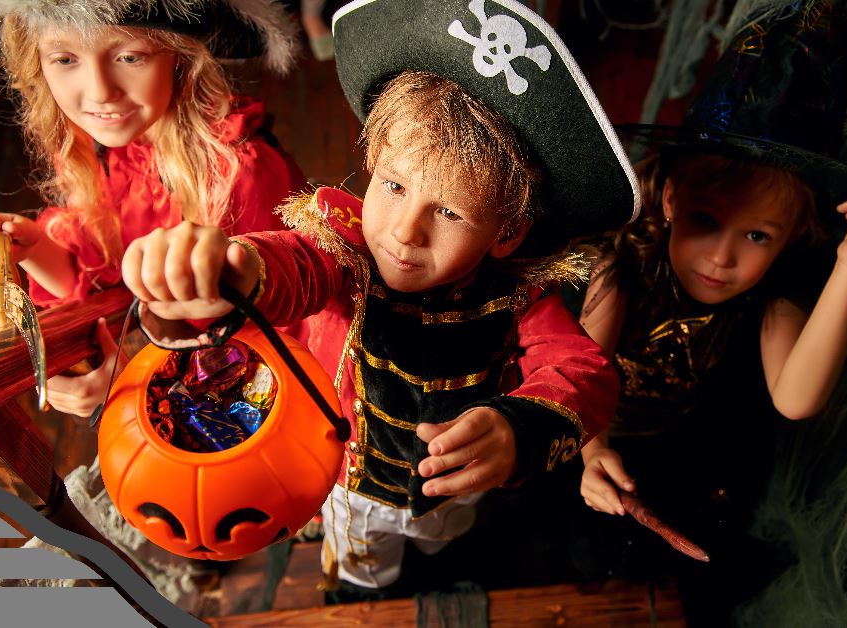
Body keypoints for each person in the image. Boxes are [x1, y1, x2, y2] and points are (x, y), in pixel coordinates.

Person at [119, 0, 639, 596]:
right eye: (392, 186)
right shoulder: (346, 254)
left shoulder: (521, 295)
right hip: (349, 484)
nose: (403, 232)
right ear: (371, 167)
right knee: (361, 579)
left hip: (458, 492)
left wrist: (520, 429)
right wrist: (237, 269)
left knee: (443, 549)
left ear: (507, 232)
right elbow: (298, 265)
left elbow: (584, 371)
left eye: (448, 211)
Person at [573, 2, 847, 622]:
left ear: (791, 236)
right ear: (669, 197)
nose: (722, 258)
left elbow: (796, 398)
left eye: (758, 236)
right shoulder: (622, 265)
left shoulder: (773, 301)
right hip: (588, 438)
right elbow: (577, 378)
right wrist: (588, 450)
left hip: (684, 456)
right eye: (707, 222)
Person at [0, 0, 307, 416]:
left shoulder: (239, 174)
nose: (100, 92)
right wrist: (32, 249)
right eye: (65, 58)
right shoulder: (106, 147)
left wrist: (133, 385)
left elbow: (263, 352)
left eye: (130, 56)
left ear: (178, 55)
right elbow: (104, 267)